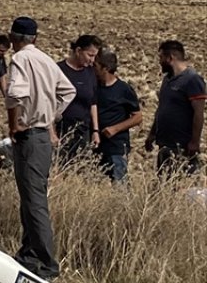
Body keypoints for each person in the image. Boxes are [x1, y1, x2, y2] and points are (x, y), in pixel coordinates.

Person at [5, 16, 75, 281]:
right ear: (35, 38)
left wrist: (15, 124)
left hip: (30, 135)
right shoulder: (46, 60)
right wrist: (51, 115)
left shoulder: (21, 60)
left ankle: (46, 263)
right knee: (31, 196)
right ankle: (29, 253)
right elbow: (68, 92)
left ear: (13, 38)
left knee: (34, 201)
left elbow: (15, 94)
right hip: (42, 136)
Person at [145, 41, 205, 176]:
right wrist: (152, 133)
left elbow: (198, 113)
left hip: (182, 146)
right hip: (164, 144)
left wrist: (194, 142)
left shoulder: (192, 79)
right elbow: (162, 108)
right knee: (163, 186)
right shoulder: (167, 80)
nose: (159, 62)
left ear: (170, 58)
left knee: (183, 185)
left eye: (161, 58)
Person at [93, 49, 142, 183]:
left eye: (96, 66)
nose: (93, 69)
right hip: (95, 146)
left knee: (119, 183)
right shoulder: (93, 87)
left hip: (116, 146)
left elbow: (137, 117)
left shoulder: (124, 89)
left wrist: (115, 129)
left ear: (106, 68)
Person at [57, 35, 103, 164]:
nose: (92, 60)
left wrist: (95, 131)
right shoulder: (59, 70)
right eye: (90, 55)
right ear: (78, 51)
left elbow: (93, 102)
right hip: (61, 131)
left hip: (82, 132)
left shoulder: (90, 73)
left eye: (95, 56)